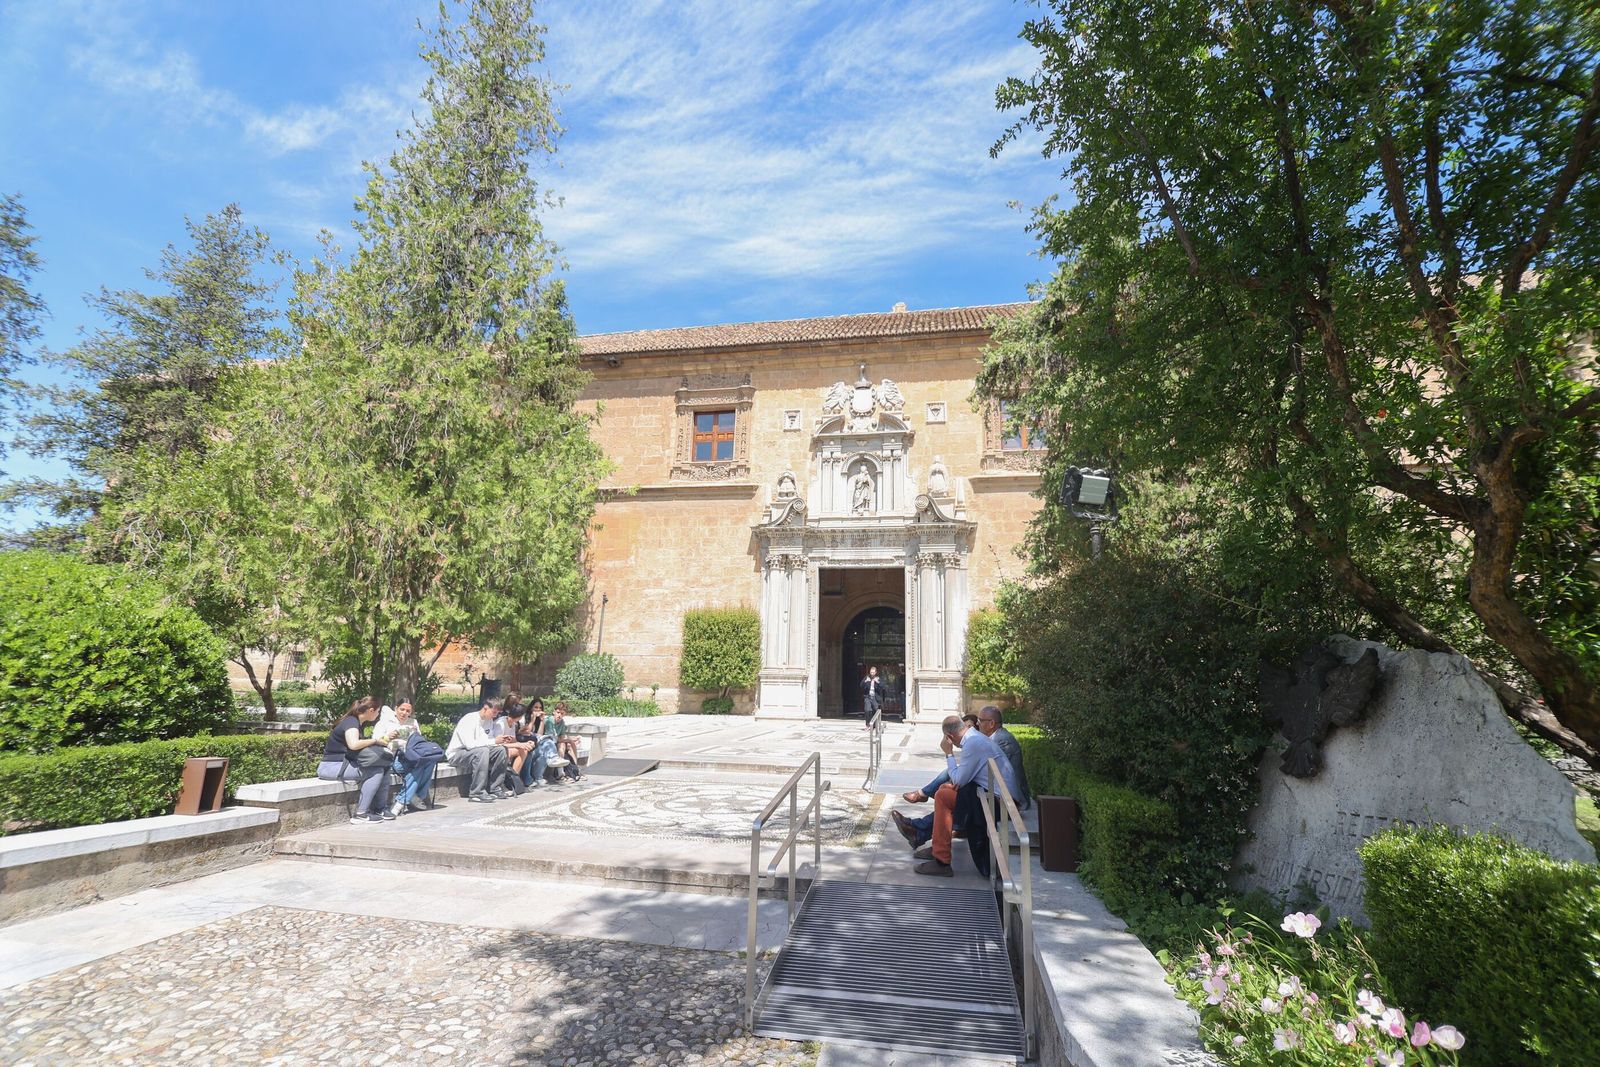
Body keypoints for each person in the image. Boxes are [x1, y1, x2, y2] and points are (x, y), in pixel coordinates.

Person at [898, 714, 1010, 877]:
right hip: (993, 796)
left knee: (944, 796)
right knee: (944, 791)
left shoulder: (972, 743)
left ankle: (941, 860)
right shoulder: (975, 738)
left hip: (1000, 803)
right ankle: (937, 850)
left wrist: (948, 753)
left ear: (949, 737)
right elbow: (961, 779)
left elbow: (958, 779)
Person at [316, 696, 393, 824]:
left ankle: (380, 809)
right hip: (331, 767)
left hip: (342, 765)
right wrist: (375, 741)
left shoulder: (356, 722)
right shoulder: (351, 722)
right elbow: (353, 744)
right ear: (371, 710)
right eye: (378, 711)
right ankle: (361, 814)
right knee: (376, 772)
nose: (378, 714)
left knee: (384, 767)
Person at [378, 701, 442, 815]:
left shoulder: (413, 722)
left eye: (408, 711)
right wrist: (388, 737)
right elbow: (376, 741)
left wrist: (414, 735)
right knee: (420, 765)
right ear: (396, 708)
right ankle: (411, 798)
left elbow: (418, 744)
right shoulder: (385, 722)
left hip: (410, 757)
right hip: (393, 758)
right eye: (402, 709)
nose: (404, 713)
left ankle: (407, 799)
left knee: (428, 761)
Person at [446, 699, 512, 803]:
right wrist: (494, 741)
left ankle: (495, 788)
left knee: (501, 750)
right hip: (457, 754)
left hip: (478, 752)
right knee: (482, 751)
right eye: (493, 712)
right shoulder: (469, 719)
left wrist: (500, 740)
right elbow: (470, 745)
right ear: (485, 708)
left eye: (497, 713)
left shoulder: (489, 721)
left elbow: (488, 741)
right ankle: (477, 793)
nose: (495, 716)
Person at [543, 701, 585, 782]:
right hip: (548, 743)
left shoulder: (562, 722)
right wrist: (568, 739)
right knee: (563, 744)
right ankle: (561, 773)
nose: (559, 715)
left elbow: (561, 737)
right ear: (554, 712)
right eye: (558, 712)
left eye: (562, 713)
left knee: (569, 744)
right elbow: (551, 737)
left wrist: (571, 739)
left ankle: (576, 769)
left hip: (555, 742)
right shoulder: (549, 721)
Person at [515, 698, 550, 788]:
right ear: (531, 708)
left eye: (540, 708)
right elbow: (527, 731)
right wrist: (533, 719)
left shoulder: (539, 719)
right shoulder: (524, 718)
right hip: (525, 743)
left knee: (544, 753)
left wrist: (542, 721)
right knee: (529, 752)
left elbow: (539, 734)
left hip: (535, 744)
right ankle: (527, 779)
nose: (538, 710)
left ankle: (538, 777)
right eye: (536, 707)